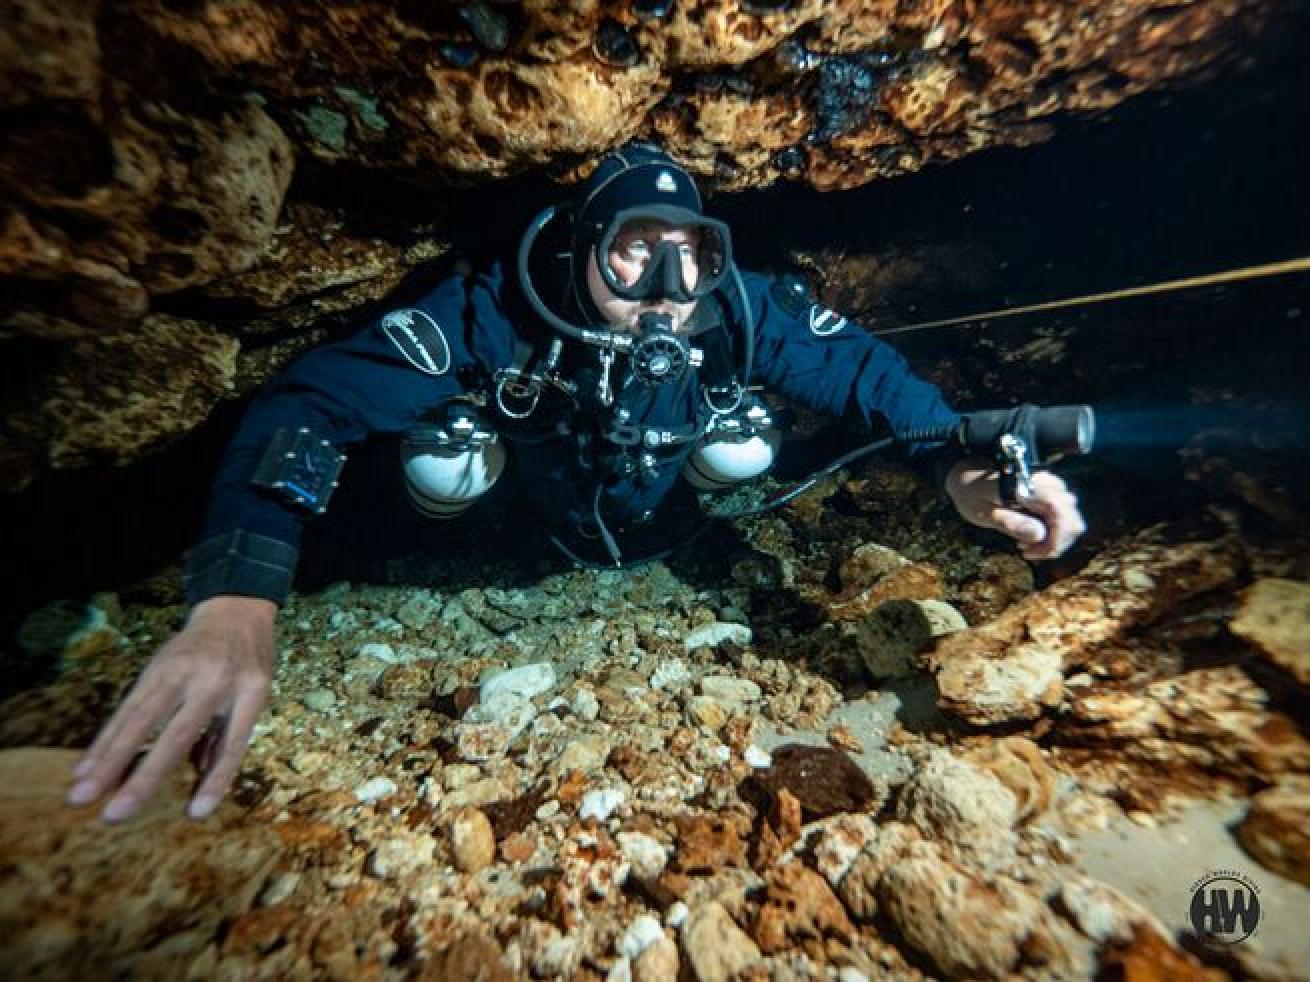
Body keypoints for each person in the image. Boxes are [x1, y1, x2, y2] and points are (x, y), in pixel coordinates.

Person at [66, 144, 1086, 823]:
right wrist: (240, 593)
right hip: (518, 511)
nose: (663, 292)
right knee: (441, 459)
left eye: (687, 258)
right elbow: (309, 402)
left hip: (660, 513)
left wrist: (955, 465)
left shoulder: (735, 314)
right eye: (635, 252)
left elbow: (869, 377)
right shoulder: (494, 313)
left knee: (742, 448)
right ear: (580, 251)